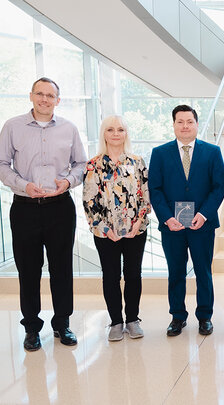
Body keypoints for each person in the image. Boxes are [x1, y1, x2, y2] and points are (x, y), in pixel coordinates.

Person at [0, 77, 87, 351]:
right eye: (40, 94)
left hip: (60, 207)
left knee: (62, 268)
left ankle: (62, 323)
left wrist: (68, 182)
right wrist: (22, 184)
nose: (44, 99)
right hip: (24, 208)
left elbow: (81, 164)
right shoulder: (12, 127)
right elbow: (2, 164)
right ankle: (31, 328)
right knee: (28, 270)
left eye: (50, 96)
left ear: (57, 100)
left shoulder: (69, 128)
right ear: (31, 96)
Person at [148, 105, 224, 337]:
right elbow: (155, 189)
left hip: (202, 224)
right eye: (180, 122)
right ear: (173, 125)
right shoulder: (160, 153)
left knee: (203, 271)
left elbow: (219, 187)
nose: (185, 126)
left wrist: (204, 214)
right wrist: (167, 218)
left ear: (197, 124)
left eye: (189, 121)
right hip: (172, 226)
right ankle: (177, 316)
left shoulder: (212, 152)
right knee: (176, 272)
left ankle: (205, 316)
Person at [83, 115, 151, 341]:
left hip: (135, 231)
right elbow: (89, 201)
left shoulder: (137, 162)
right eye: (110, 129)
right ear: (104, 133)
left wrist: (138, 223)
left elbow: (145, 197)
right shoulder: (93, 165)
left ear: (126, 133)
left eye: (120, 129)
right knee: (110, 276)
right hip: (105, 233)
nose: (115, 133)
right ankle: (115, 322)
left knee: (133, 274)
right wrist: (104, 228)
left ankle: (132, 319)